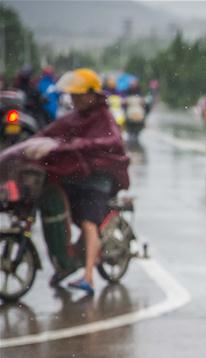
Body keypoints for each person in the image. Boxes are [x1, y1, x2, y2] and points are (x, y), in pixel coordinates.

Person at [23, 68, 130, 294]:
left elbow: (108, 142)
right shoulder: (73, 118)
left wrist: (74, 145)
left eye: (78, 95)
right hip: (76, 175)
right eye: (72, 95)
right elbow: (48, 133)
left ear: (92, 94)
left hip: (99, 179)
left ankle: (88, 277)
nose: (75, 99)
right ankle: (67, 260)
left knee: (88, 221)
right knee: (54, 202)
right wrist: (27, 147)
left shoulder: (105, 118)